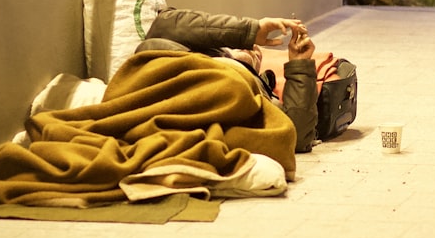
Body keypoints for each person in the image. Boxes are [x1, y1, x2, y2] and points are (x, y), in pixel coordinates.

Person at [135, 8, 319, 153]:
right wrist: (250, 30)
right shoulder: (182, 52)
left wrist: (300, 63)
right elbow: (164, 25)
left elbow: (296, 133)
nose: (253, 50)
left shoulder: (257, 92)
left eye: (257, 55)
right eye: (249, 47)